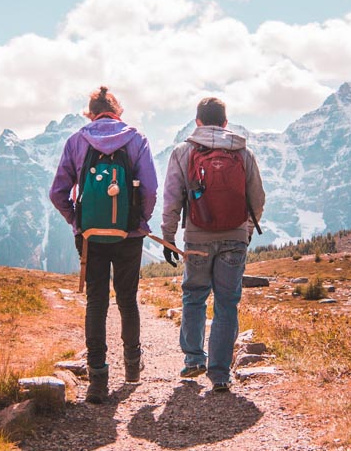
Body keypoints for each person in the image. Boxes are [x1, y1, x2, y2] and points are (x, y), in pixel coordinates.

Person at [49, 86, 158, 404]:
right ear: (117, 111)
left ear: (91, 113)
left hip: (91, 236)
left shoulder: (76, 141)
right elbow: (149, 189)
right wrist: (138, 221)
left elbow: (58, 192)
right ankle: (133, 369)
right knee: (127, 300)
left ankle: (97, 379)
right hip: (130, 236)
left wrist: (77, 222)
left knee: (97, 303)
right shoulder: (137, 139)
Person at [160, 97, 265, 392]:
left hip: (197, 238)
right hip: (234, 238)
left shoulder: (184, 151)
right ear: (225, 123)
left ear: (198, 122)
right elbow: (257, 198)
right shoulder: (244, 153)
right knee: (227, 302)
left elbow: (172, 198)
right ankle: (220, 374)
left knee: (194, 295)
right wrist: (244, 232)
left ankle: (194, 359)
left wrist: (169, 236)